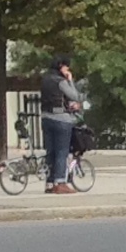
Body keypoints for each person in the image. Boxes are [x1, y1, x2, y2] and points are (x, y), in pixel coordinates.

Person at [38, 59, 85, 193]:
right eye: (66, 67)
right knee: (61, 152)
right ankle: (60, 182)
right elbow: (74, 96)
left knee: (50, 151)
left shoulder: (45, 80)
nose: (68, 70)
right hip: (61, 119)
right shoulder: (61, 81)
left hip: (46, 118)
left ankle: (49, 183)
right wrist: (70, 80)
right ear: (60, 66)